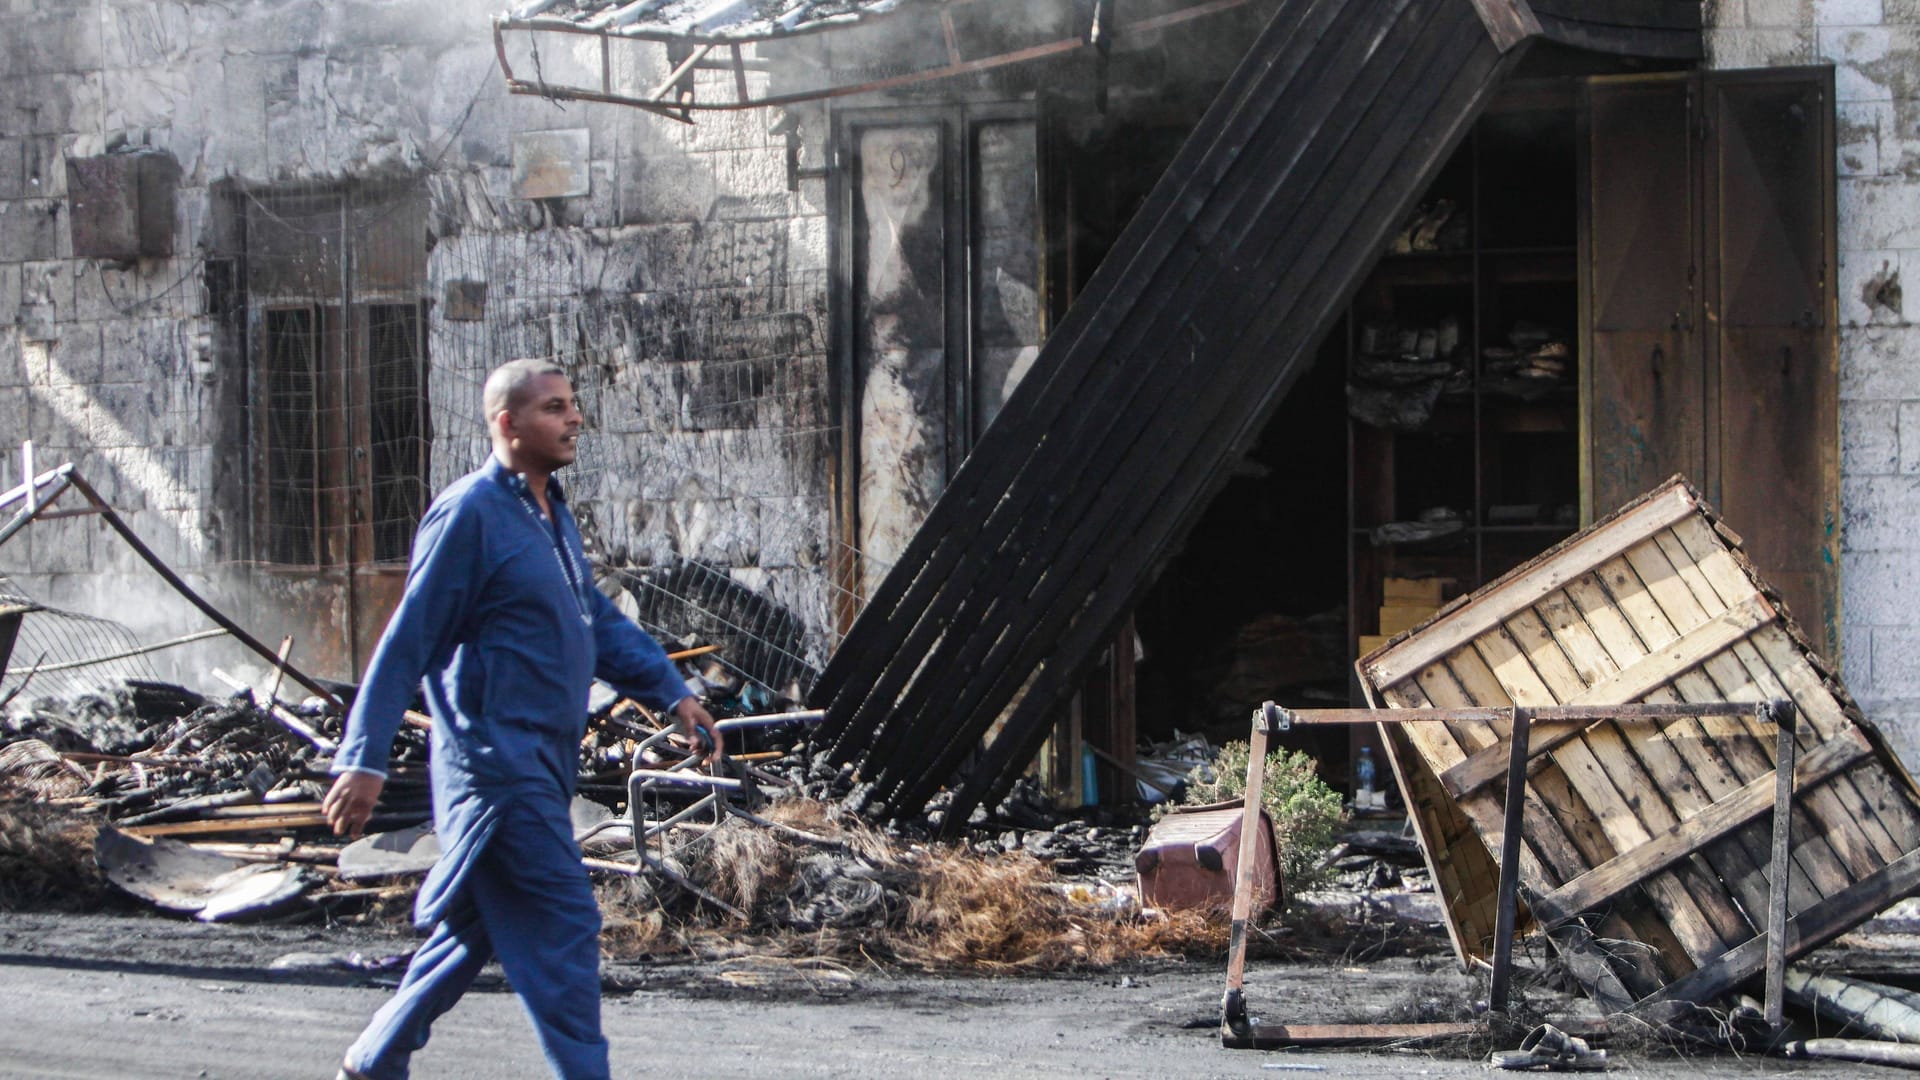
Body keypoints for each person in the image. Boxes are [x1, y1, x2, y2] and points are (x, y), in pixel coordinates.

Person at [323, 358, 724, 1080]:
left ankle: (374, 1058)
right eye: (552, 408)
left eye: (572, 406)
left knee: (474, 925)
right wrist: (364, 756)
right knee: (564, 925)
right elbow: (409, 637)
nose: (573, 419)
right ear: (507, 424)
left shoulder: (549, 513)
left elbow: (593, 620)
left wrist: (671, 690)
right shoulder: (470, 514)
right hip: (496, 765)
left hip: (542, 760)